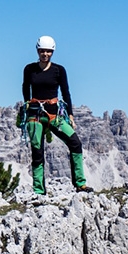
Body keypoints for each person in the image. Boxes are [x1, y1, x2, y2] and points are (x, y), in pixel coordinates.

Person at [18, 35, 93, 194]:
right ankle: (39, 191)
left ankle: (80, 184)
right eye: (42, 51)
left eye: (48, 51)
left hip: (55, 115)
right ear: (38, 51)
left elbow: (66, 93)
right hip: (35, 116)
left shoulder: (59, 70)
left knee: (75, 143)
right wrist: (27, 106)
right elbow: (25, 88)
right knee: (37, 152)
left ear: (52, 52)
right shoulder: (29, 69)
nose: (45, 54)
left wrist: (70, 116)